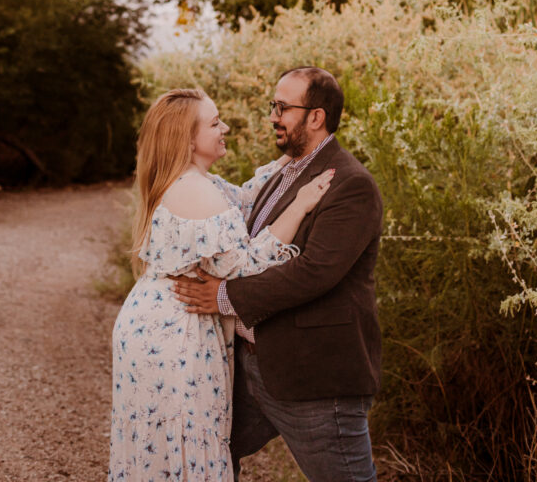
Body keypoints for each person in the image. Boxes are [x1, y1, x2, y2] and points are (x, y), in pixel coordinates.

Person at [108, 87, 334, 482]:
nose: (224, 127)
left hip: (157, 322)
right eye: (214, 123)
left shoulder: (194, 182)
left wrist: (297, 152)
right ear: (188, 139)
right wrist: (299, 206)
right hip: (176, 334)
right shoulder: (194, 191)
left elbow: (244, 199)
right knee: (185, 442)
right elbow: (245, 268)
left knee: (157, 451)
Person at [173, 67, 383, 482]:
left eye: (283, 107)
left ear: (316, 117)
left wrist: (224, 295)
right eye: (274, 105)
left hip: (315, 379)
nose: (273, 115)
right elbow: (254, 245)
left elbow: (313, 273)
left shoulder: (351, 184)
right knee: (204, 456)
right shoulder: (284, 171)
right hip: (255, 366)